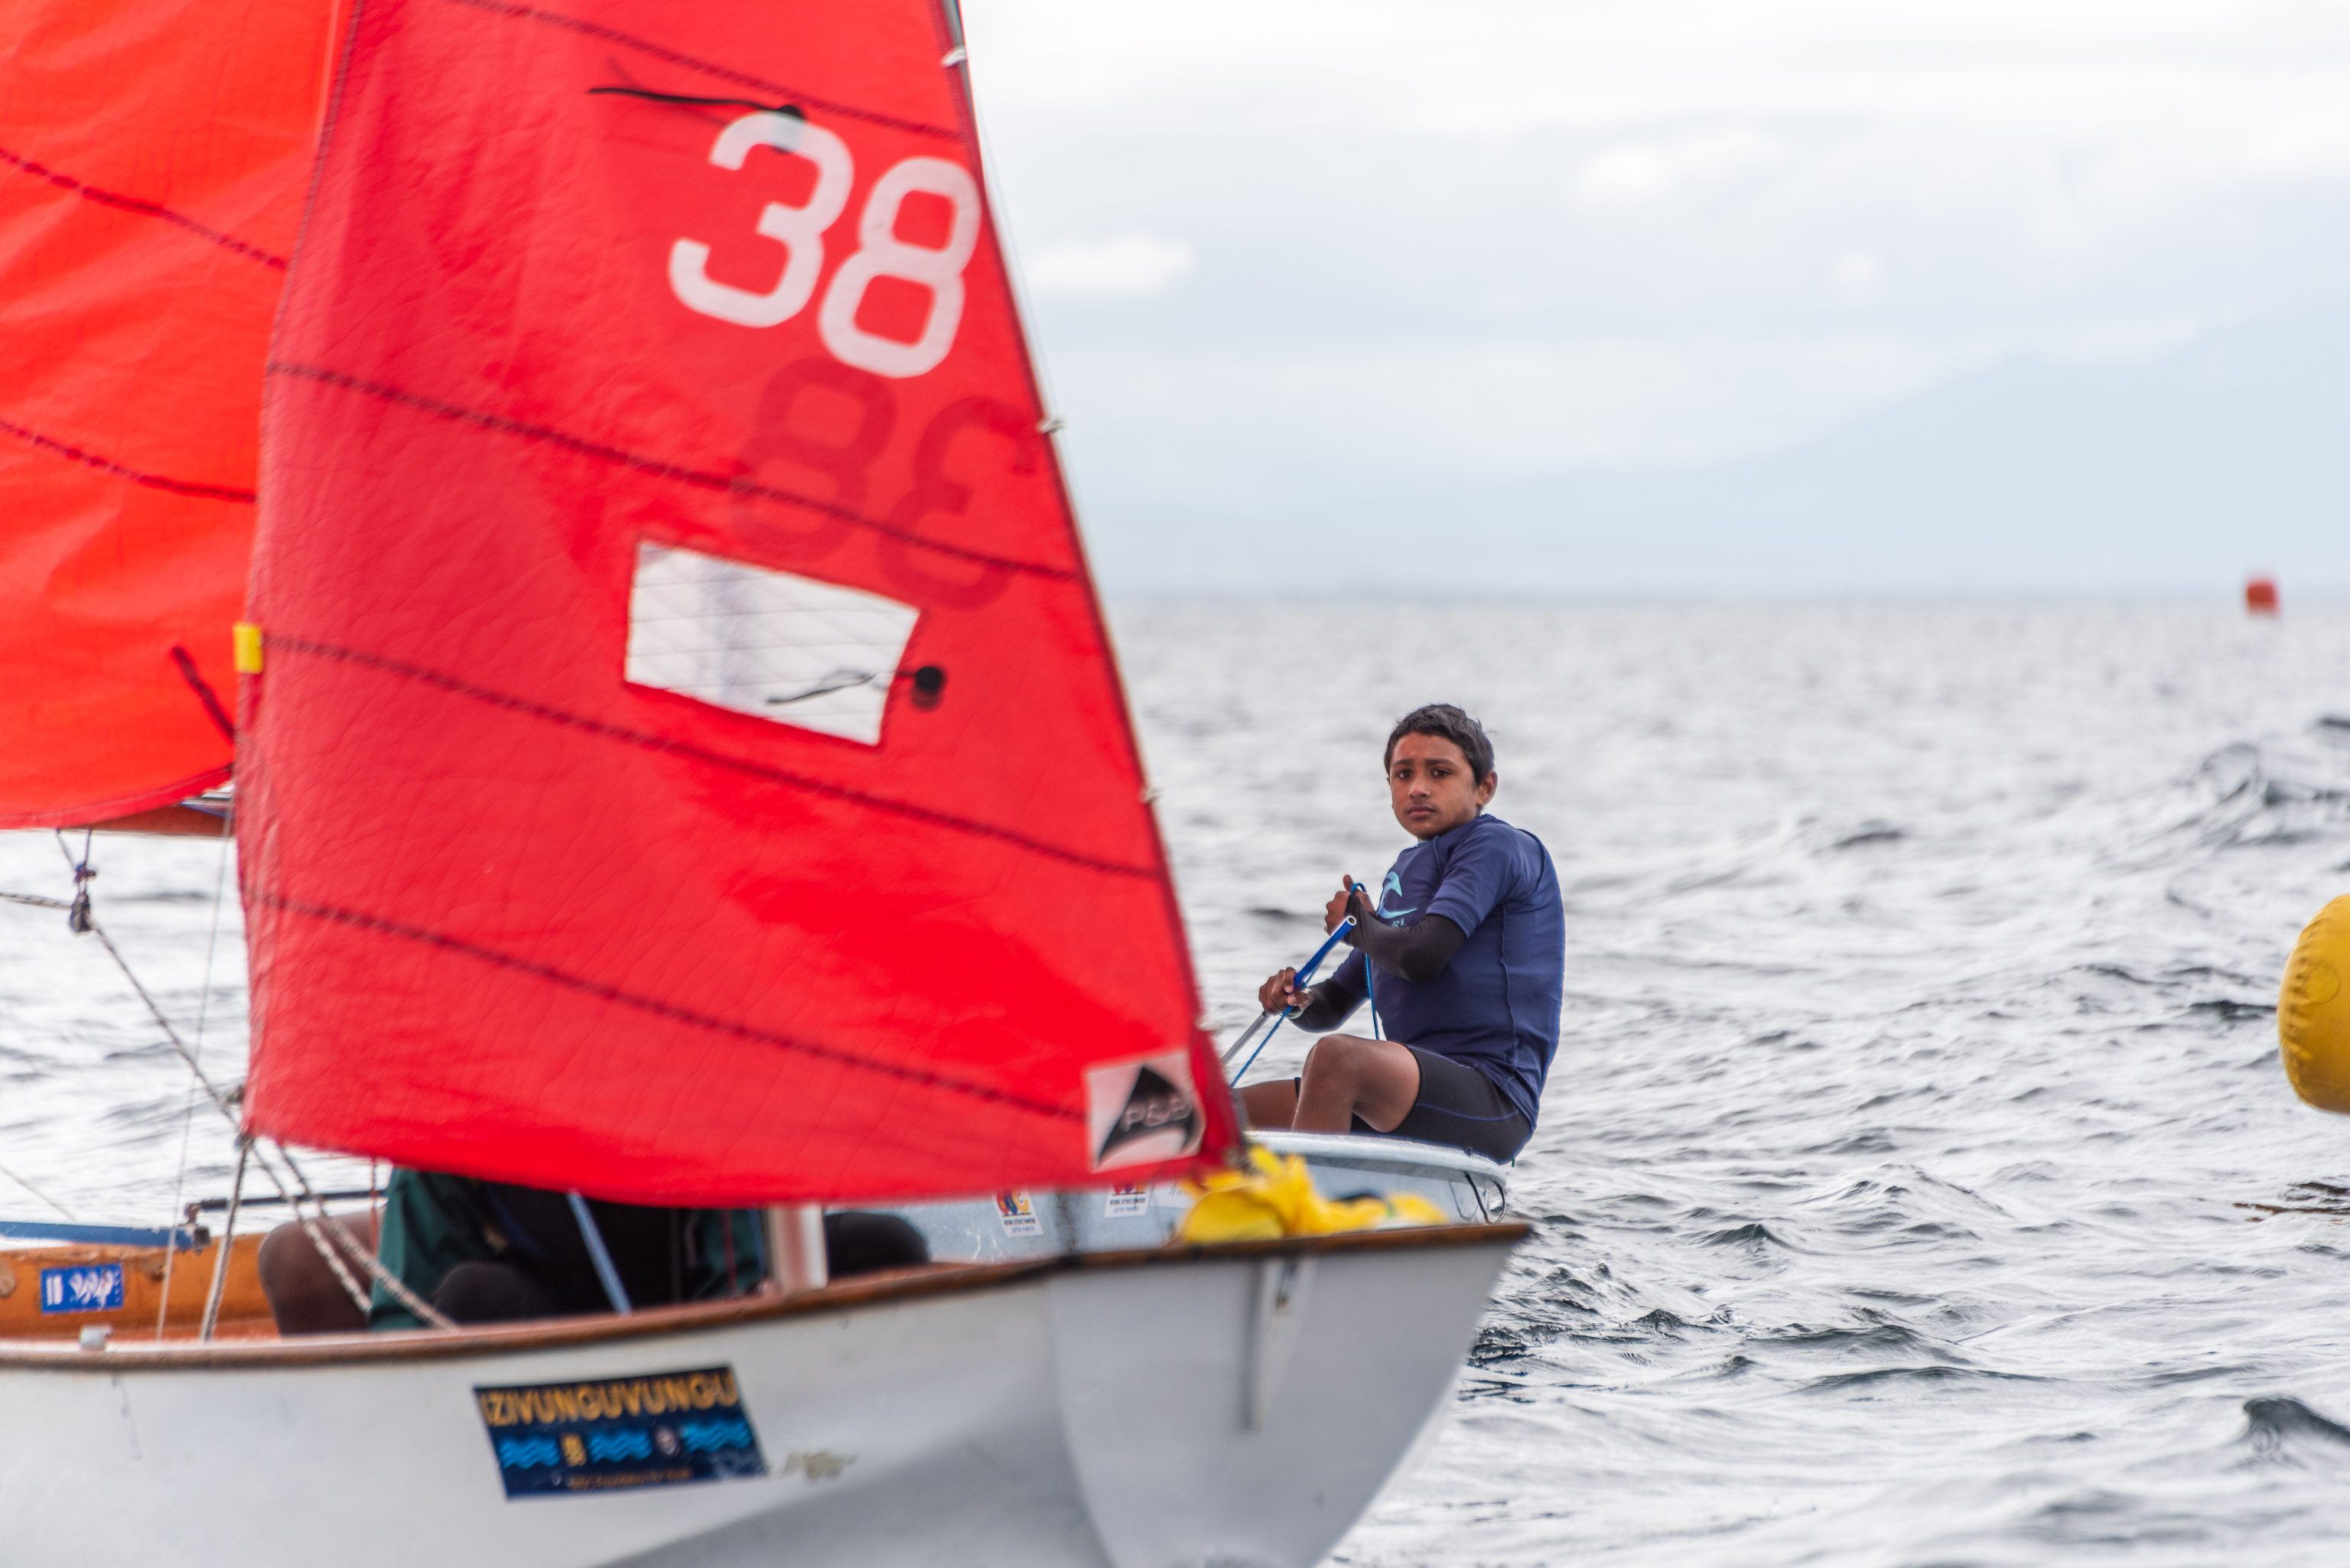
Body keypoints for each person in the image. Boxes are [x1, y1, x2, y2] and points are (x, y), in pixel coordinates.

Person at [1242, 704, 1563, 1163]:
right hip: (1401, 1096)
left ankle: (1305, 1206)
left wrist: (1360, 924)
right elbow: (1336, 1001)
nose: (1418, 788)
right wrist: (1297, 1000)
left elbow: (1421, 957)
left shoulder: (1497, 846)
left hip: (1491, 1098)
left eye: (1440, 772)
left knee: (1337, 1060)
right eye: (1403, 774)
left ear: (1485, 787)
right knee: (1218, 1112)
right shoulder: (1408, 871)